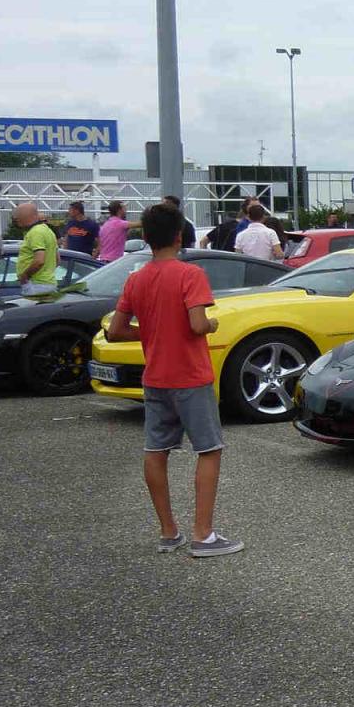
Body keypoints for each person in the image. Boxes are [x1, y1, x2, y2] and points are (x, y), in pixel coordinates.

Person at [104, 202, 241, 558]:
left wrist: (150, 332)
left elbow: (116, 330)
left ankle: (168, 532)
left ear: (146, 238)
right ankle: (203, 534)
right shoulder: (189, 275)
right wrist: (210, 325)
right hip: (190, 377)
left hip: (156, 379)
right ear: (180, 236)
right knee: (209, 449)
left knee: (156, 450)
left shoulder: (136, 279)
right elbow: (197, 324)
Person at [10, 202, 58, 296]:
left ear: (22, 218)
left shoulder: (35, 232)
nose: (16, 221)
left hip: (36, 284)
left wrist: (25, 276)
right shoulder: (47, 230)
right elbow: (57, 259)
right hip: (47, 282)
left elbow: (39, 260)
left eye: (17, 218)